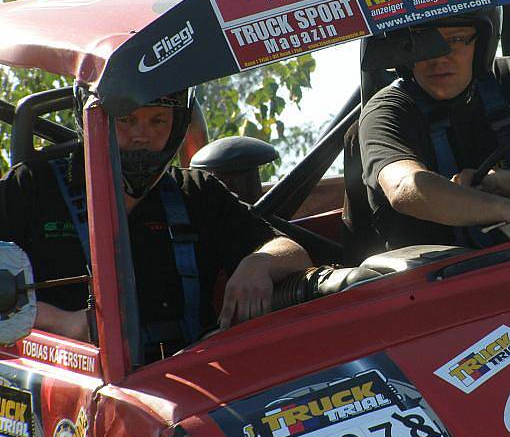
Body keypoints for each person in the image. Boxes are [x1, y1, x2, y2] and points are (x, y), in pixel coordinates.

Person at [0, 87, 311, 361]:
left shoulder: (196, 192)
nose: (141, 135)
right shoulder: (31, 188)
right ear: (94, 119)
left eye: (158, 121)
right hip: (67, 387)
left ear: (177, 125)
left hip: (185, 387)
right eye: (127, 120)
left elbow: (294, 252)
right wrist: (63, 324)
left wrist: (260, 262)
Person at [358, 7, 510, 250]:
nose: (439, 58)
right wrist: (509, 209)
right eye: (424, 42)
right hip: (428, 279)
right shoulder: (386, 111)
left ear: (482, 45)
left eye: (456, 40)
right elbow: (404, 187)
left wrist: (497, 182)